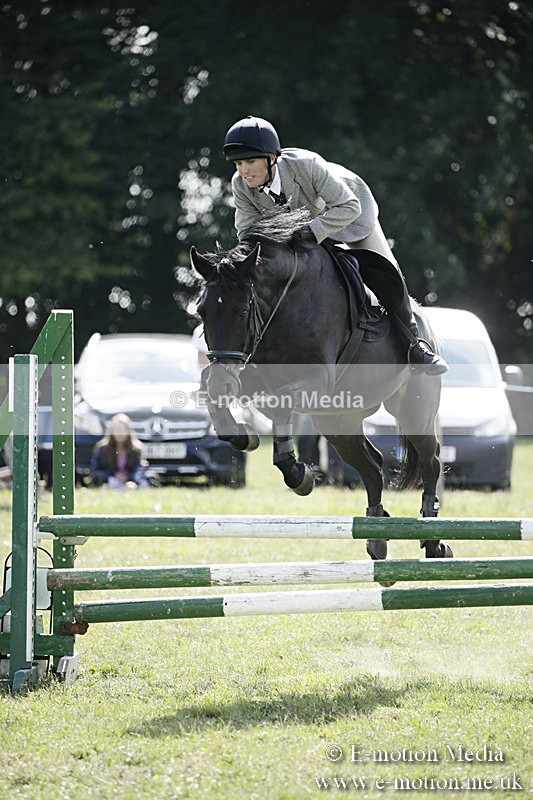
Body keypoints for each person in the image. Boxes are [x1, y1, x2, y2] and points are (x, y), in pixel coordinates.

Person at [223, 115, 448, 375]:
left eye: (250, 161)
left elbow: (349, 206)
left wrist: (311, 232)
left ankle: (415, 346)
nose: (244, 170)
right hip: (299, 234)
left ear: (272, 158)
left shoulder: (306, 165)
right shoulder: (240, 184)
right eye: (239, 163)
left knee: (387, 272)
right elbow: (247, 233)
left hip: (348, 217)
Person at [91, 413, 148, 489]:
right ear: (111, 431)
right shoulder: (102, 449)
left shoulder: (136, 449)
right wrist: (114, 475)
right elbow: (96, 471)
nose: (120, 433)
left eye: (123, 430)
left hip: (131, 481)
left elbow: (139, 468)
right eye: (117, 430)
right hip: (110, 480)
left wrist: (132, 480)